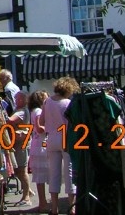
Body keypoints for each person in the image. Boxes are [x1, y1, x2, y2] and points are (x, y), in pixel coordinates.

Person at [42, 76, 80, 215]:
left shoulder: (47, 101)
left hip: (51, 138)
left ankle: (54, 208)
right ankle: (72, 207)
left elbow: (42, 120)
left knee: (54, 173)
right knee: (69, 172)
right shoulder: (68, 103)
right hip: (65, 137)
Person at [8, 91, 33, 207]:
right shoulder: (20, 110)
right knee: (18, 170)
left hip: (21, 144)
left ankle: (26, 197)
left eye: (16, 98)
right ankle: (28, 191)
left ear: (23, 100)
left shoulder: (22, 111)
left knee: (22, 171)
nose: (14, 100)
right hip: (18, 143)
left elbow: (10, 121)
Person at [27, 90, 50, 213]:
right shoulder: (39, 111)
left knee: (40, 176)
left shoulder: (34, 111)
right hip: (41, 144)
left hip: (37, 144)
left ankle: (43, 202)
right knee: (44, 175)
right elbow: (39, 128)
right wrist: (51, 128)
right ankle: (43, 202)